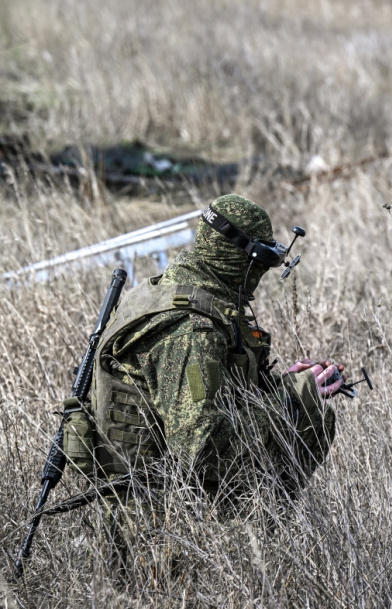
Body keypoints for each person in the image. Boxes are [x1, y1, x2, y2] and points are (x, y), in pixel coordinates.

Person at [65, 194, 345, 580]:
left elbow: (211, 397)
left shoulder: (178, 286)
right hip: (155, 522)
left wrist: (278, 384)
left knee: (309, 409)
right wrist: (291, 397)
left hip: (163, 492)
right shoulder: (190, 330)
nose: (262, 276)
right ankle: (252, 556)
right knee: (307, 415)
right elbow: (201, 448)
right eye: (261, 262)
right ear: (235, 255)